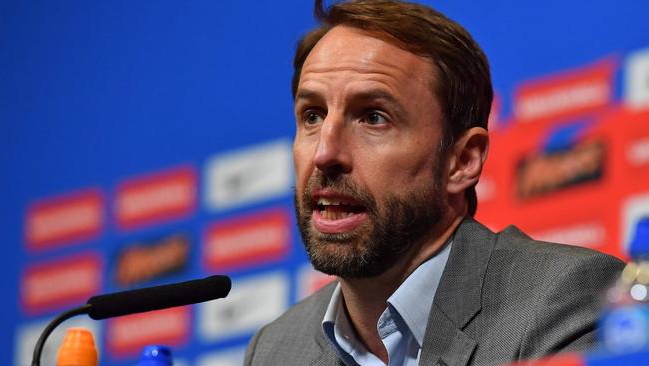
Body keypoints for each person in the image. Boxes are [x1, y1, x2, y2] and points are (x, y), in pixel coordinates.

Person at [244, 1, 624, 365]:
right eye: (312, 116)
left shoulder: (566, 300)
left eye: (374, 118)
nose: (325, 153)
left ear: (462, 161)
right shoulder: (276, 348)